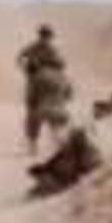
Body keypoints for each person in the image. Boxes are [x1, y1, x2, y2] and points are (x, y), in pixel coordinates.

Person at [16, 25, 72, 156]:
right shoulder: (39, 48)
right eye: (45, 36)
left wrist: (27, 67)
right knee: (45, 115)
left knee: (35, 113)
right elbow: (20, 59)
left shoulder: (44, 49)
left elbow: (62, 65)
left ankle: (36, 144)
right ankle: (38, 144)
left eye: (47, 36)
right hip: (48, 82)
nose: (46, 39)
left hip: (45, 82)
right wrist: (28, 67)